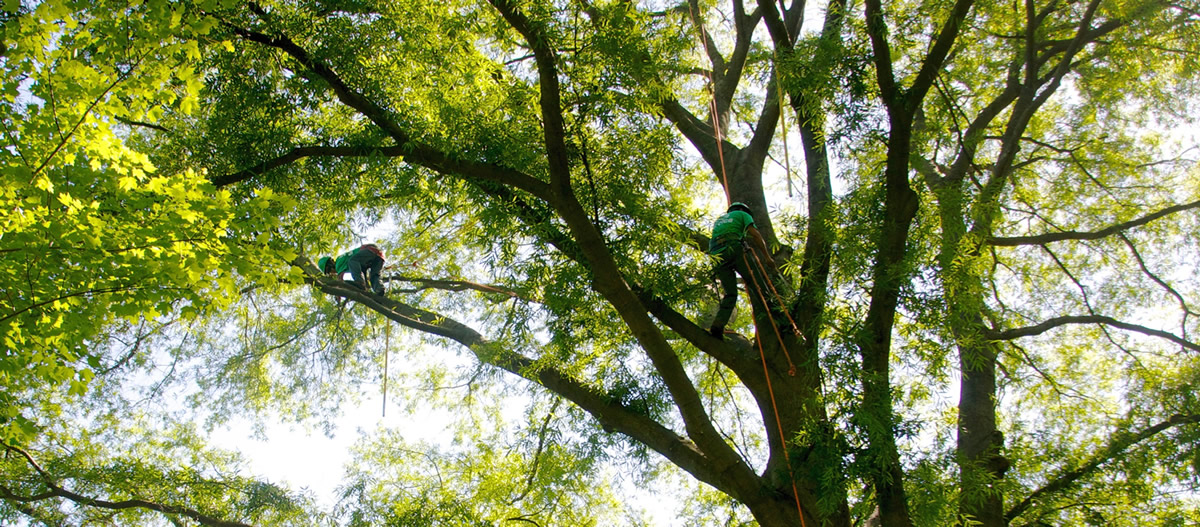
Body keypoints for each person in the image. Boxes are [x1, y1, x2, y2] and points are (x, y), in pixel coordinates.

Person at [707, 202, 781, 338]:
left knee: (730, 294)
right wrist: (767, 258)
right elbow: (755, 235)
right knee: (757, 284)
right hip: (734, 247)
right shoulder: (743, 214)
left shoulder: (720, 220)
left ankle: (718, 325)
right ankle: (780, 318)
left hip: (717, 254)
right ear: (742, 210)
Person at [319, 244, 386, 295]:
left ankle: (360, 283)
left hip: (369, 251)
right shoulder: (355, 265)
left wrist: (338, 294)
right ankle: (380, 291)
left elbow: (340, 279)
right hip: (379, 256)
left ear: (330, 265)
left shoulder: (338, 262)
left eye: (329, 271)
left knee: (352, 261)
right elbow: (360, 272)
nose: (332, 273)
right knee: (374, 275)